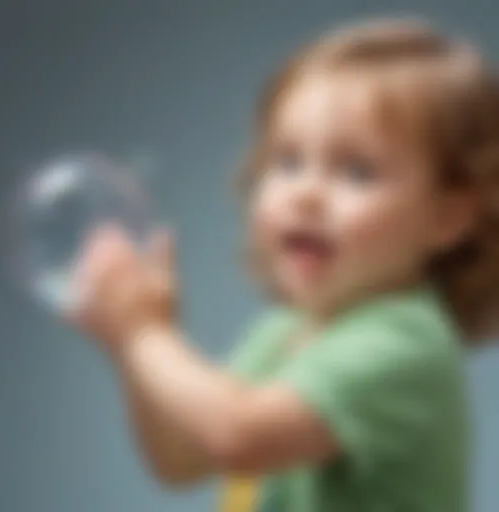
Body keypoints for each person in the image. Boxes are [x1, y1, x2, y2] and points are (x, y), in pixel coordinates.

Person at [69, 17, 499, 512]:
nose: (305, 193)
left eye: (357, 171)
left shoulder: (404, 340)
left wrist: (141, 333)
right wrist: (128, 350)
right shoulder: (281, 335)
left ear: (446, 217)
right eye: (288, 161)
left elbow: (237, 435)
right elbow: (181, 459)